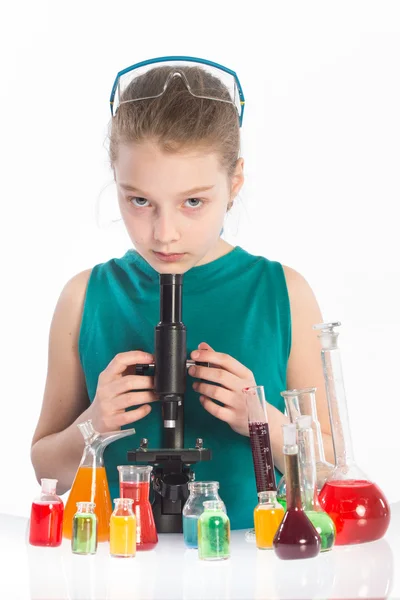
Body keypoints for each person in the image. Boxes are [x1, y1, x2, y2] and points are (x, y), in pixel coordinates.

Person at [31, 56, 333, 530]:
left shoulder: (284, 293)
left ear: (233, 182)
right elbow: (46, 468)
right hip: (120, 565)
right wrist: (94, 423)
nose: (164, 234)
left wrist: (263, 421)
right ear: (117, 182)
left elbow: (332, 467)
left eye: (193, 201)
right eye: (139, 201)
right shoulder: (84, 296)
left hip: (253, 566)